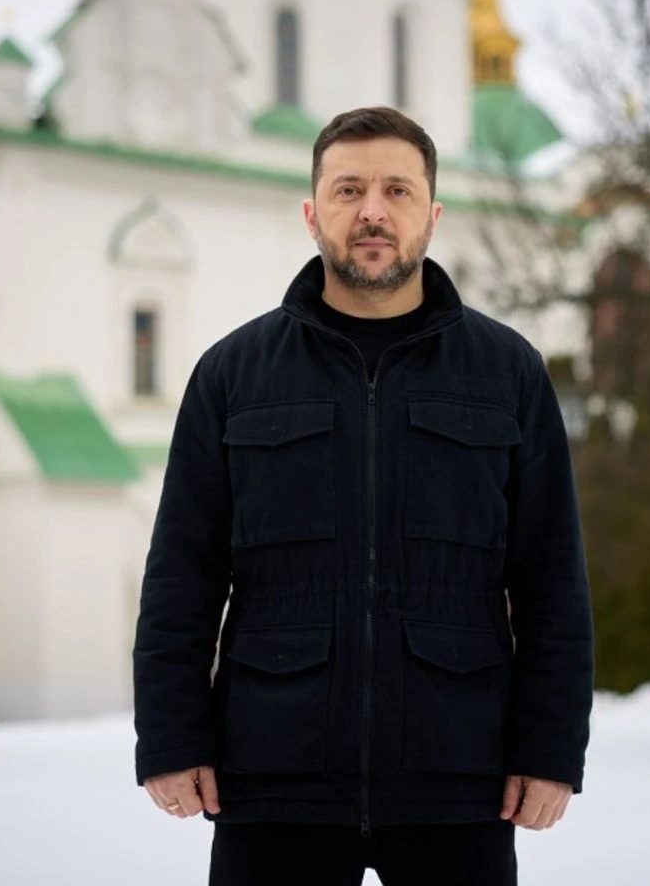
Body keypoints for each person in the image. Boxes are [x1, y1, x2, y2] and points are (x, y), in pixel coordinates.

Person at [132, 106, 593, 886]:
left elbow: (552, 580)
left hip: (458, 778)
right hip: (274, 779)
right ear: (312, 213)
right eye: (348, 190)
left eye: (397, 191)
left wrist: (550, 749)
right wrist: (172, 737)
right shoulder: (233, 375)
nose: (372, 211)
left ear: (432, 215)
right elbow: (183, 574)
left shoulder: (506, 372)